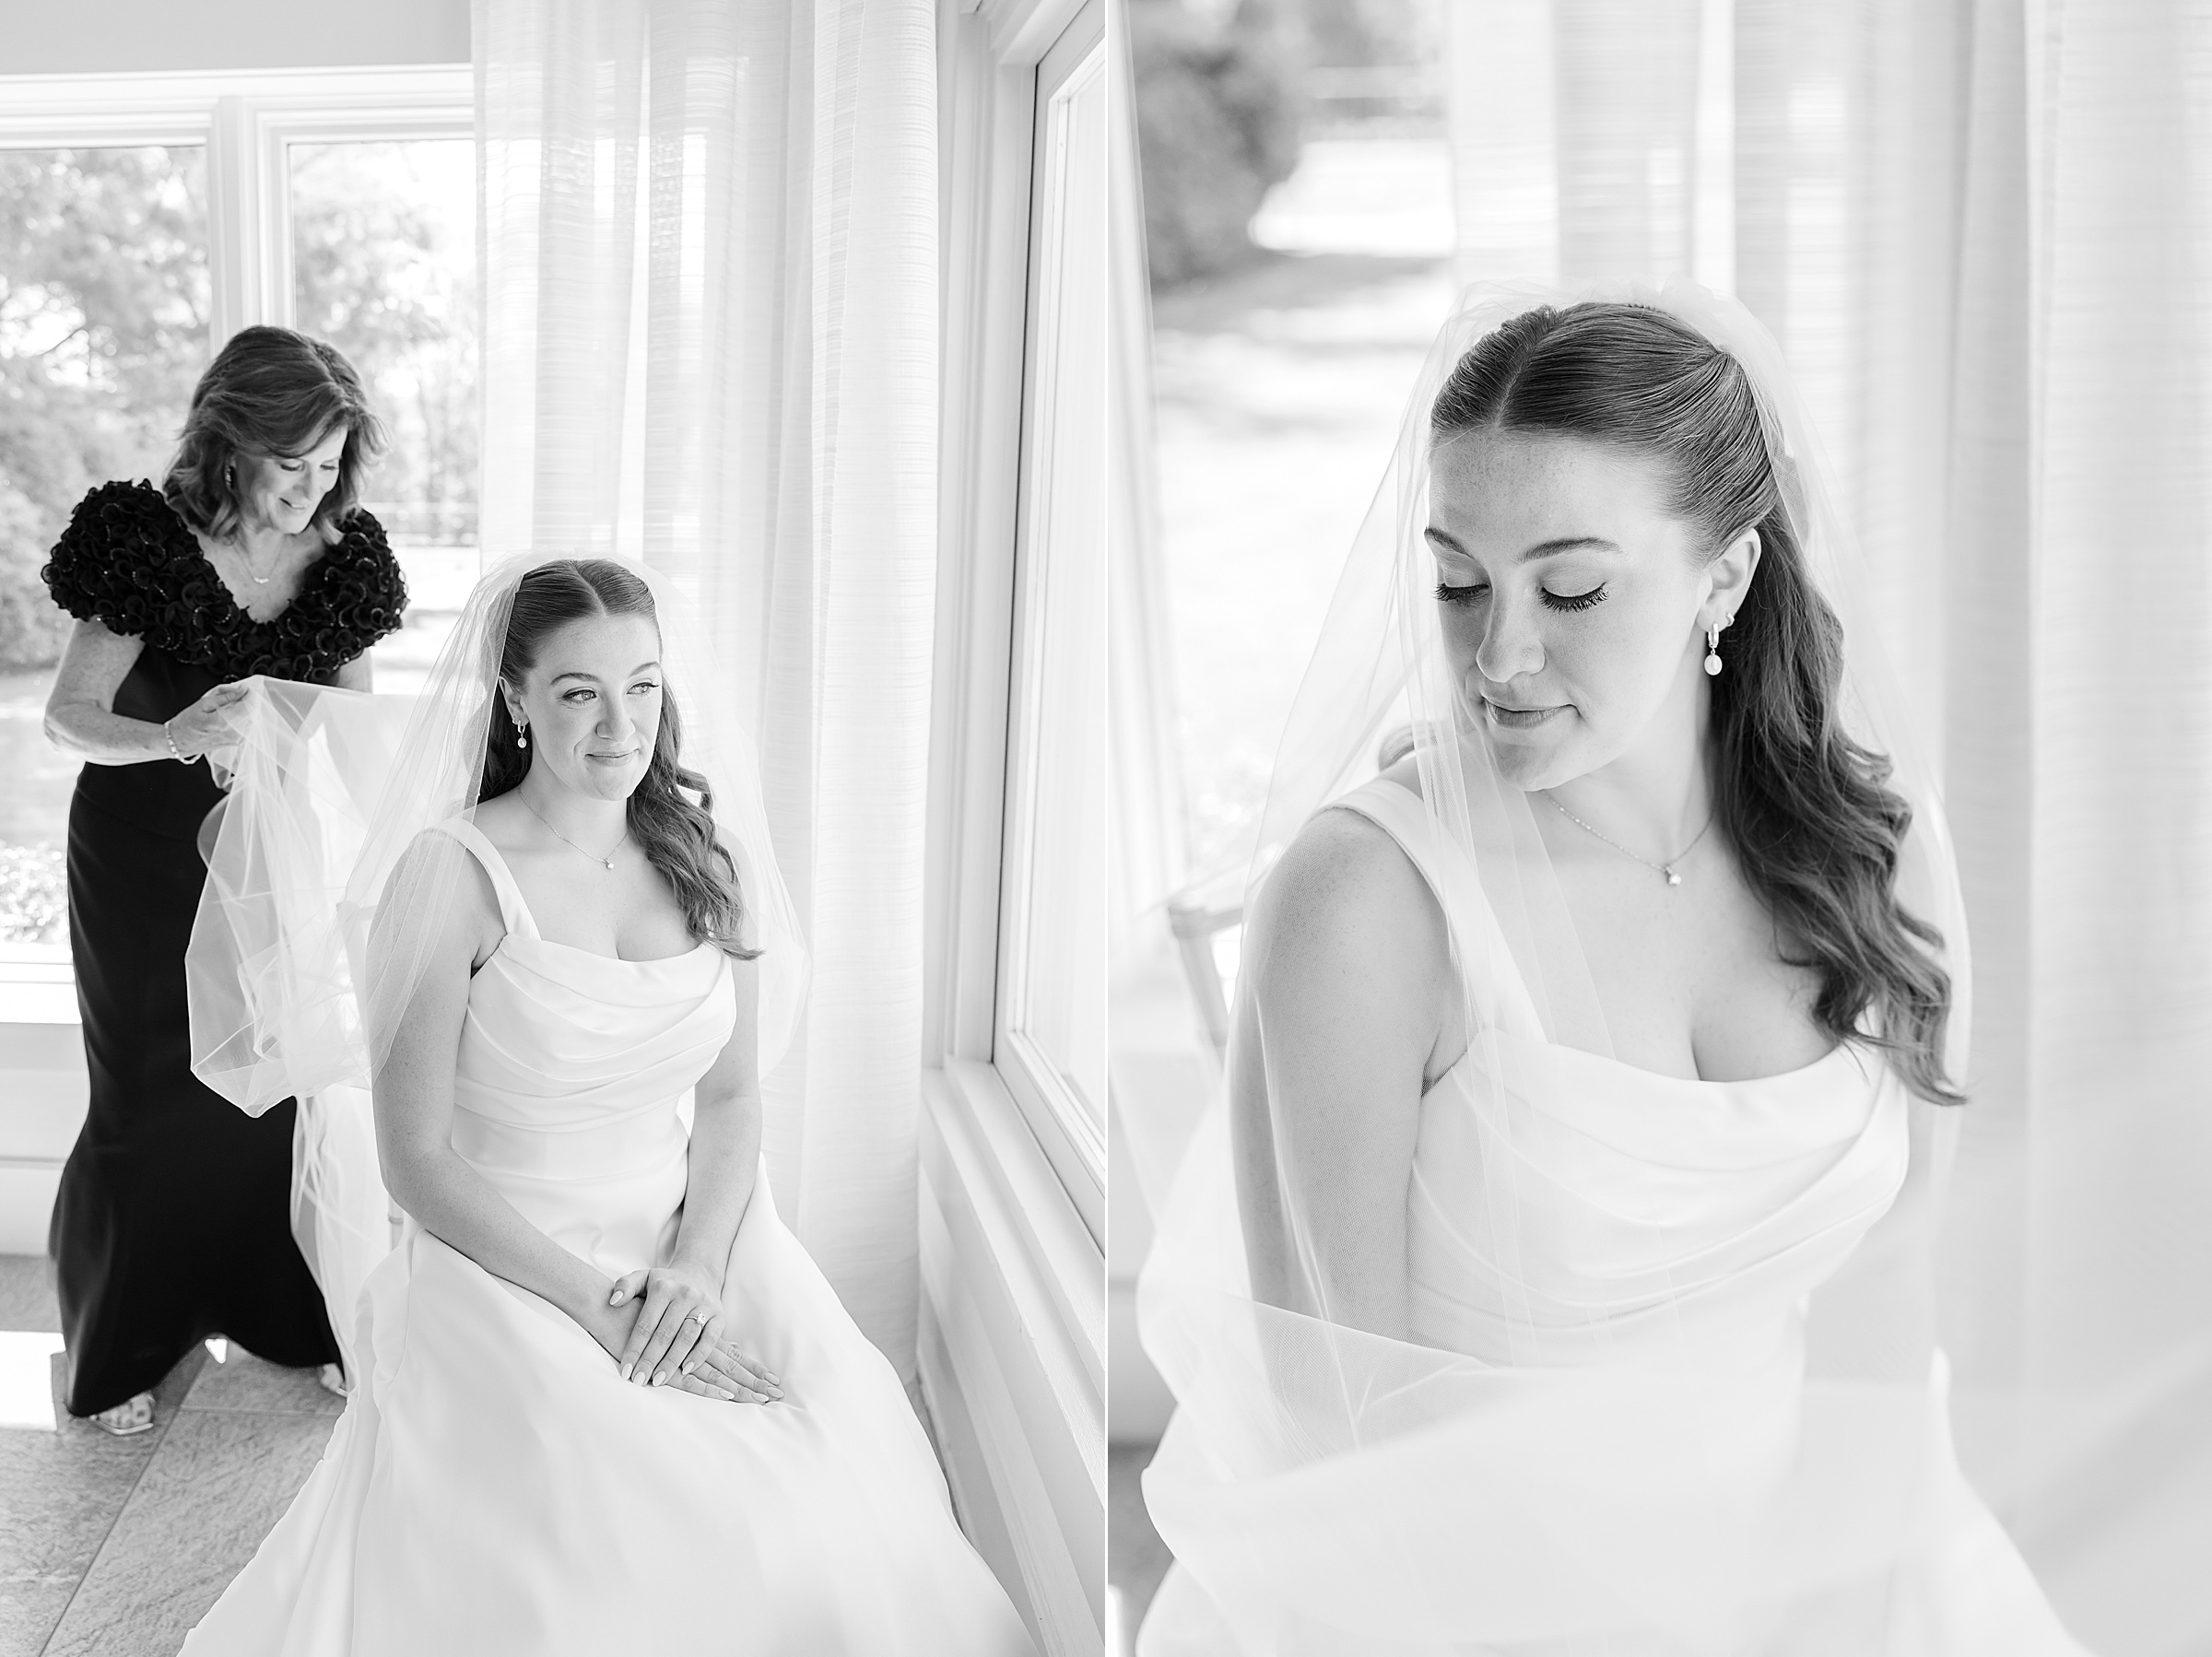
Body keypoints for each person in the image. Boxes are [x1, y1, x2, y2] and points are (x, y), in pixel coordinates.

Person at [1134, 284, 2093, 1651]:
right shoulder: (1366, 903)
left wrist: (1836, 1609)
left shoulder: (1874, 851)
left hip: (1828, 1562)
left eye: (1570, 586)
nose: (1499, 655)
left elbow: (1883, 1310)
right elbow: (1334, 1427)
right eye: (1458, 582)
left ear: (1728, 575)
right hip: (1450, 1606)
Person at [179, 556, 1035, 1654]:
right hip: (509, 1258)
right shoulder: (450, 874)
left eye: (641, 685)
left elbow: (731, 1100)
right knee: (657, 1529)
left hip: (697, 1237)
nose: (619, 723)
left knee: (837, 1500)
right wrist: (598, 1303)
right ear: (515, 700)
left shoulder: (706, 856)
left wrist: (697, 1271)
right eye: (580, 691)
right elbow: (418, 1160)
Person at [39, 325, 404, 1435]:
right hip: (137, 853)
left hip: (267, 854)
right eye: (293, 465)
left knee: (270, 1085)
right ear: (232, 442)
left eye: (333, 462)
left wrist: (397, 855)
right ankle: (127, 1340)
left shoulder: (345, 559)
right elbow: (69, 717)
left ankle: (283, 1316)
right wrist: (176, 732)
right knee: (148, 1088)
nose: (314, 489)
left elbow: (352, 733)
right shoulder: (144, 539)